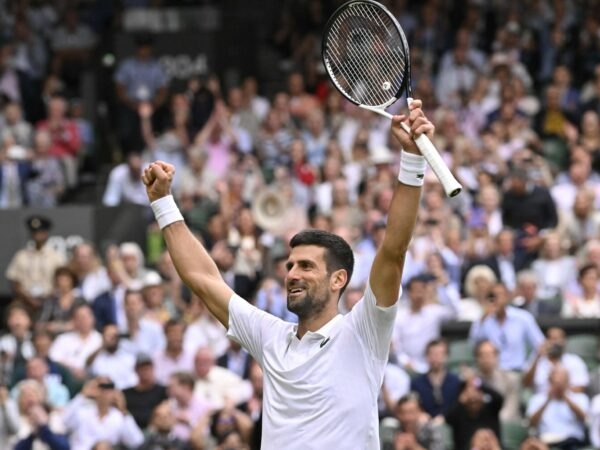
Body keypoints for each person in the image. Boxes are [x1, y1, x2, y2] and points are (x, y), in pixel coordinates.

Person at [142, 100, 434, 449]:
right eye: (291, 266)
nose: (293, 273)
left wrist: (413, 160)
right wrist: (163, 203)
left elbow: (394, 250)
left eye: (307, 266)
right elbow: (203, 280)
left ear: (338, 279)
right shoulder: (271, 338)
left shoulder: (363, 331)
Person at [469, 281, 544, 371]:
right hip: (492, 374)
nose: (498, 299)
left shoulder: (523, 317)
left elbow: (540, 345)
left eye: (501, 294)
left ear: (508, 296)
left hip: (517, 371)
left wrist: (529, 367)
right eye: (493, 296)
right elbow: (473, 345)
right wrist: (483, 318)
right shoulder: (484, 319)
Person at [5, 215, 66, 314]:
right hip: (24, 300)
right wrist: (28, 298)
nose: (38, 235)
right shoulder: (21, 255)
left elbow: (63, 280)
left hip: (50, 299)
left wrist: (50, 297)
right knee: (14, 312)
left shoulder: (56, 257)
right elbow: (14, 281)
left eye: (41, 232)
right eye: (35, 232)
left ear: (46, 233)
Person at [526, 367, 588, 450]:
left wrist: (564, 396)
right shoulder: (538, 399)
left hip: (572, 443)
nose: (557, 385)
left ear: (568, 381)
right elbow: (531, 424)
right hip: (546, 443)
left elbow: (585, 418)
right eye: (554, 382)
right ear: (549, 381)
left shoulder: (580, 398)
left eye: (561, 381)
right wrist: (547, 400)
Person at [522, 327, 589, 394]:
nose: (555, 343)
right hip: (542, 398)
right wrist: (537, 358)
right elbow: (526, 384)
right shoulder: (536, 360)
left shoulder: (575, 361)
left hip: (568, 399)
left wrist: (559, 388)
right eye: (552, 339)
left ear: (564, 342)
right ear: (546, 341)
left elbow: (581, 388)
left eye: (558, 339)